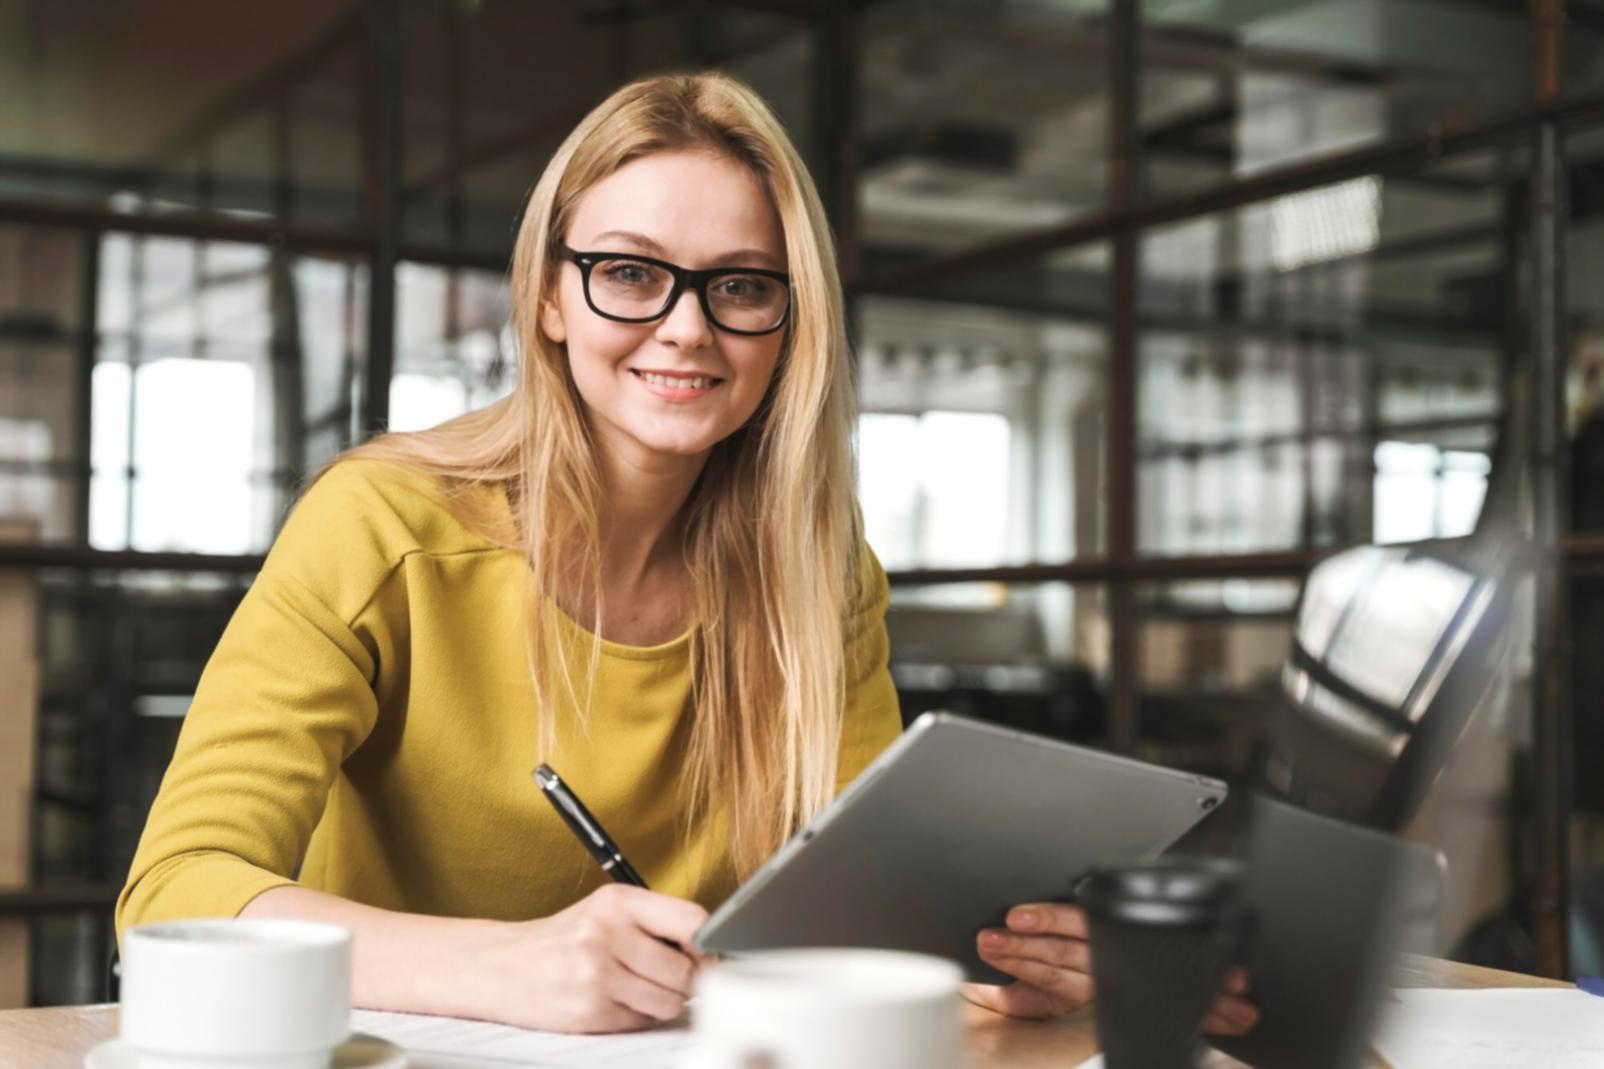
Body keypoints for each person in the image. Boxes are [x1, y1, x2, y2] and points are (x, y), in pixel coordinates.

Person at [115, 72, 1257, 1036]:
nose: (687, 326)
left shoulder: (819, 571)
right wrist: (508, 965)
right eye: (629, 271)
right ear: (551, 297)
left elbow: (857, 913)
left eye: (742, 286)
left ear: (788, 321)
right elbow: (173, 894)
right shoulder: (382, 523)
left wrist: (1027, 959)